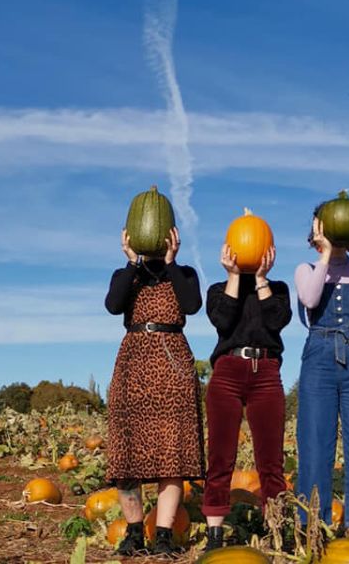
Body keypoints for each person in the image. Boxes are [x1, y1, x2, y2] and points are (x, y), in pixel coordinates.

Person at [104, 226, 205, 556]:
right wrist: (132, 262)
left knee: (171, 454)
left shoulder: (184, 273)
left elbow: (191, 306)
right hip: (133, 362)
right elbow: (113, 305)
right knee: (127, 452)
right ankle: (133, 533)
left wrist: (173, 262)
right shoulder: (126, 275)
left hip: (172, 362)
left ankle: (163, 536)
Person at [294, 213, 349, 531]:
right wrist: (326, 253)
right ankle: (312, 525)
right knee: (315, 445)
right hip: (319, 359)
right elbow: (310, 298)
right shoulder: (306, 269)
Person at [202, 243, 292, 551]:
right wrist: (233, 275)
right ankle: (214, 535)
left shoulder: (277, 289)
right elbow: (223, 321)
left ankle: (277, 530)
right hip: (227, 371)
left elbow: (276, 322)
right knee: (220, 458)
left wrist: (263, 279)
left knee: (271, 461)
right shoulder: (218, 289)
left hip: (266, 373)